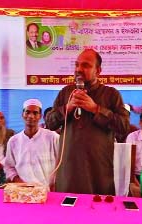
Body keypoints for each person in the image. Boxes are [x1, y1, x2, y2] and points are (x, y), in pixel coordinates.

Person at [45, 49, 130, 195]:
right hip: (69, 169)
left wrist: (96, 109)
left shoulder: (111, 94)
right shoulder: (66, 92)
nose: (78, 69)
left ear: (98, 71)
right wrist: (67, 108)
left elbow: (123, 126)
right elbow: (50, 123)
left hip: (98, 170)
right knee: (67, 210)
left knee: (98, 210)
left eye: (85, 65)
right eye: (77, 65)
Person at [4, 99, 59, 188]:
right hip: (22, 191)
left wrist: (55, 185)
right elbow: (9, 167)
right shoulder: (14, 141)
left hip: (48, 191)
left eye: (35, 113)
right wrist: (20, 183)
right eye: (27, 112)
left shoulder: (52, 137)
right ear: (22, 115)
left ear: (40, 116)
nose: (31, 116)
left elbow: (61, 164)